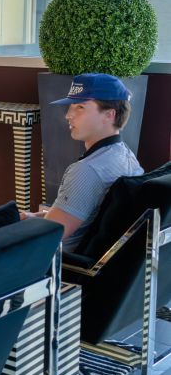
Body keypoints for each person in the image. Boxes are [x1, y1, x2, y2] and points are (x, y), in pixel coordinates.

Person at [30, 73, 143, 252]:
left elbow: (48, 235)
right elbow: (82, 217)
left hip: (61, 266)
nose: (68, 115)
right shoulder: (127, 157)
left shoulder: (87, 170)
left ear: (109, 115)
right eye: (70, 107)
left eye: (80, 107)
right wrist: (31, 217)